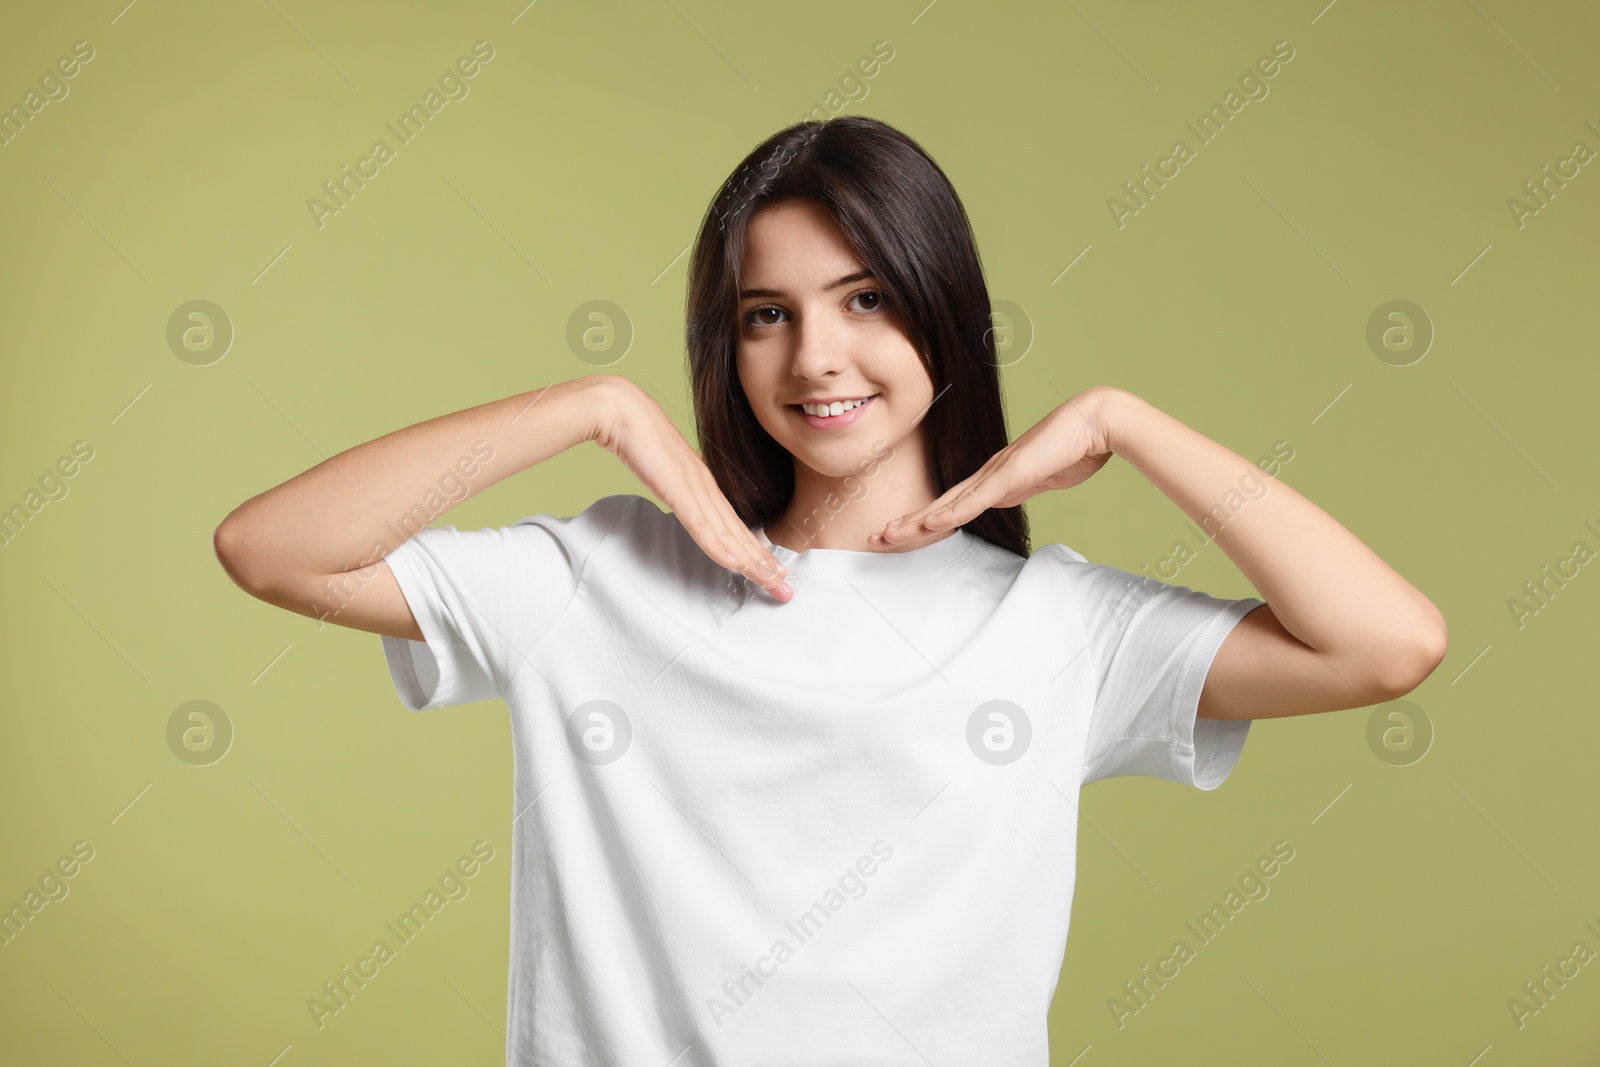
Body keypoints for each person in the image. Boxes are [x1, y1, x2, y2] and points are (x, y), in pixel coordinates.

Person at [212, 116, 1447, 1066]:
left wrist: (1129, 423)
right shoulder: (596, 580)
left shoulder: (1060, 627)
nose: (815, 357)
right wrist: (589, 409)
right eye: (766, 314)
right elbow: (274, 548)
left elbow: (1386, 645)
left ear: (942, 314)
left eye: (865, 299)